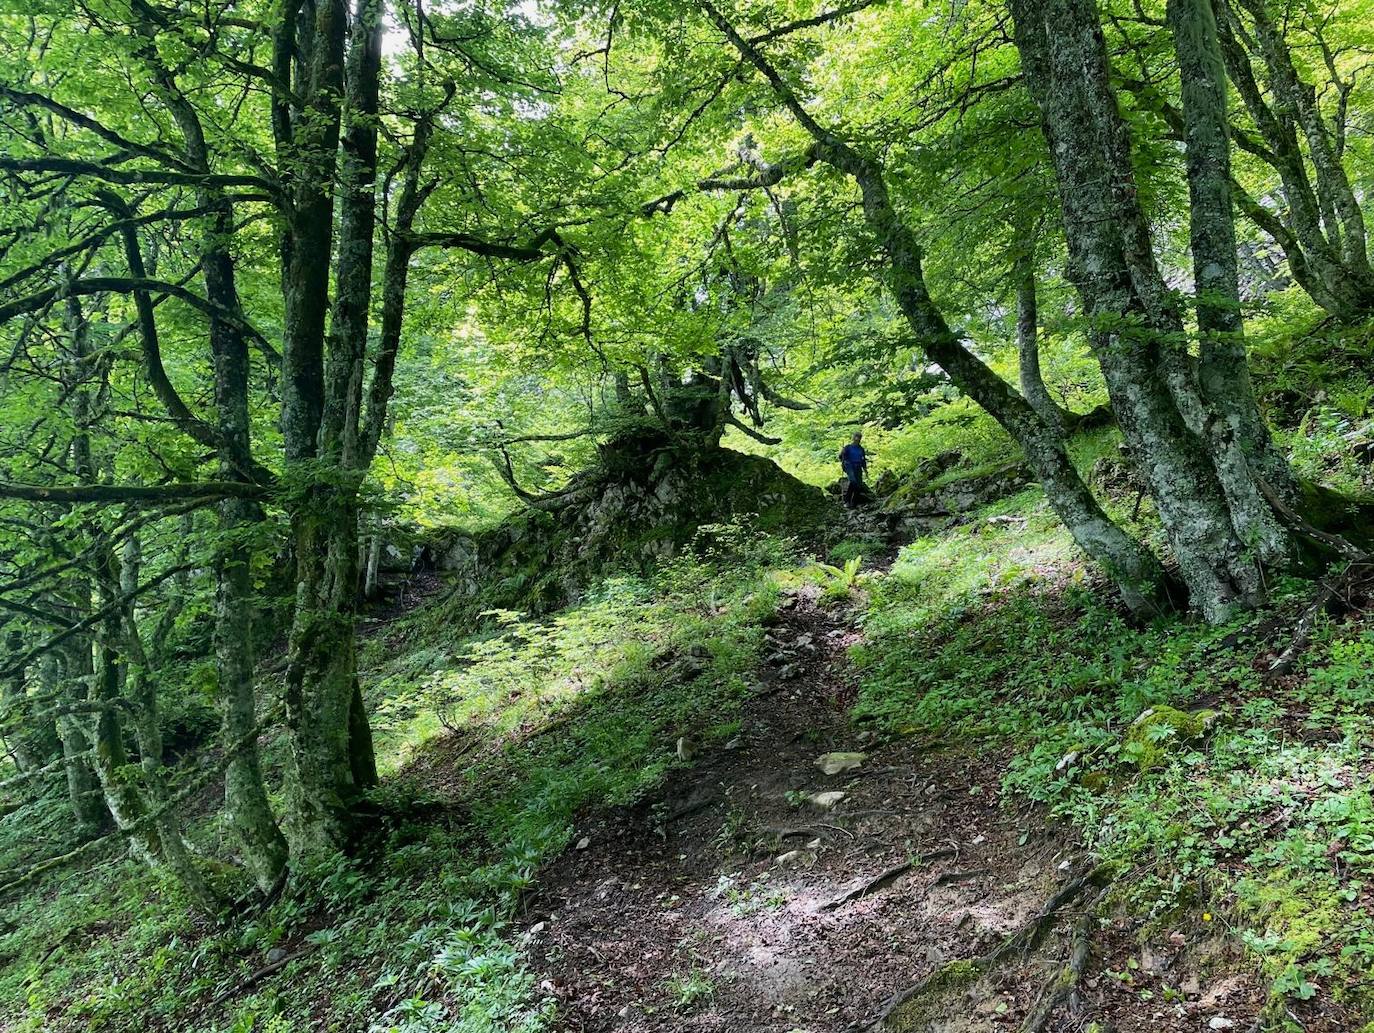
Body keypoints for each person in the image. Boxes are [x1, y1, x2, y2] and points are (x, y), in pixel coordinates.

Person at [838, 431, 869, 508]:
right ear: (853, 438)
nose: (857, 439)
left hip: (858, 467)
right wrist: (842, 454)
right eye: (856, 437)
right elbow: (841, 457)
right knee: (853, 481)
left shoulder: (861, 449)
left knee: (858, 485)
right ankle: (847, 501)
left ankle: (853, 504)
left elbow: (863, 461)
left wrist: (865, 470)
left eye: (859, 437)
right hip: (849, 466)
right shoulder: (848, 447)